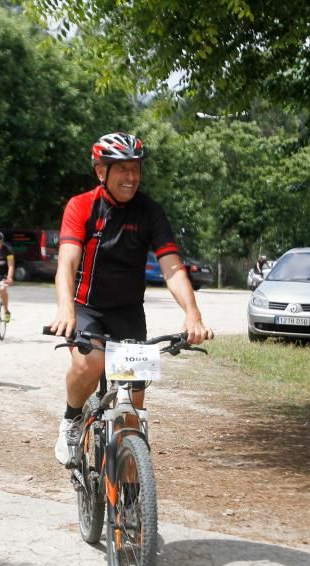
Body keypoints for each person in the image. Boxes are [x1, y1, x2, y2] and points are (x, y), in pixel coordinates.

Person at [48, 131, 214, 467]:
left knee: (133, 404)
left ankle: (128, 495)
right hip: (86, 308)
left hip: (128, 314)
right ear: (101, 172)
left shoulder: (150, 211)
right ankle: (71, 419)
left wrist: (192, 314)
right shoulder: (81, 206)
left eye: (136, 168)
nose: (131, 176)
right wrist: (65, 308)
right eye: (122, 169)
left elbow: (171, 267)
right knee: (89, 364)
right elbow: (67, 262)